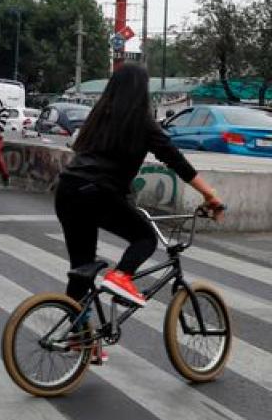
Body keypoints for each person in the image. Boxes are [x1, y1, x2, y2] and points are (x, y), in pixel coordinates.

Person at [56, 64, 223, 354]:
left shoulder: (98, 116)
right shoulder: (141, 122)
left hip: (67, 190)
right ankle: (122, 276)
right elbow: (175, 159)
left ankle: (78, 335)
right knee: (144, 237)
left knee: (81, 270)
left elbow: (93, 158)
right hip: (96, 193)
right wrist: (210, 194)